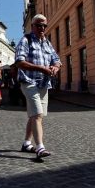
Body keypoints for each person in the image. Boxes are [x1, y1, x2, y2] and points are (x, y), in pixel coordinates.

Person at [16, 14, 61, 160]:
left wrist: (55, 67)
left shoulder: (47, 43)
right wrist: (41, 68)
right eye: (39, 25)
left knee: (35, 115)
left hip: (43, 83)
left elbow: (57, 60)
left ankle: (26, 143)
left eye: (44, 26)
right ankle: (40, 148)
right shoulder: (26, 40)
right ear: (33, 26)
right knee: (37, 114)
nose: (42, 28)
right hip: (28, 81)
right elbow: (19, 62)